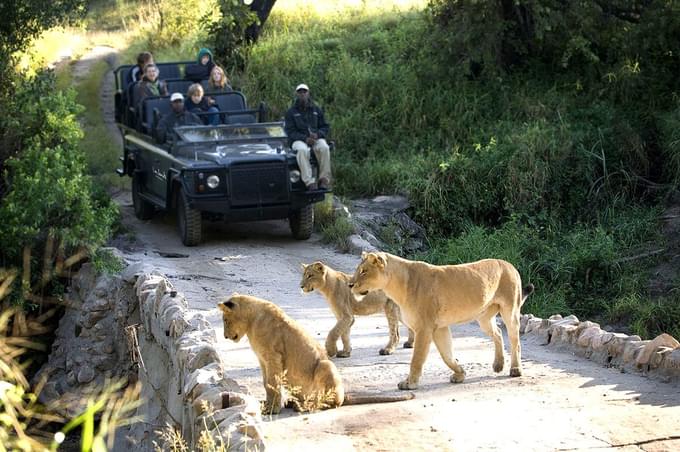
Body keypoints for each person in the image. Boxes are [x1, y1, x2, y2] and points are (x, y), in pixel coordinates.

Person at [284, 83, 331, 190]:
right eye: (300, 92)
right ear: (296, 94)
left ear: (308, 93)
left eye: (304, 92)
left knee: (324, 147)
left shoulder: (316, 109)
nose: (302, 94)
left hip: (316, 138)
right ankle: (309, 182)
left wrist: (318, 134)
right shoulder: (291, 112)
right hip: (298, 140)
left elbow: (325, 126)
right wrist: (305, 139)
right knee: (302, 150)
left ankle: (324, 180)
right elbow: (290, 132)